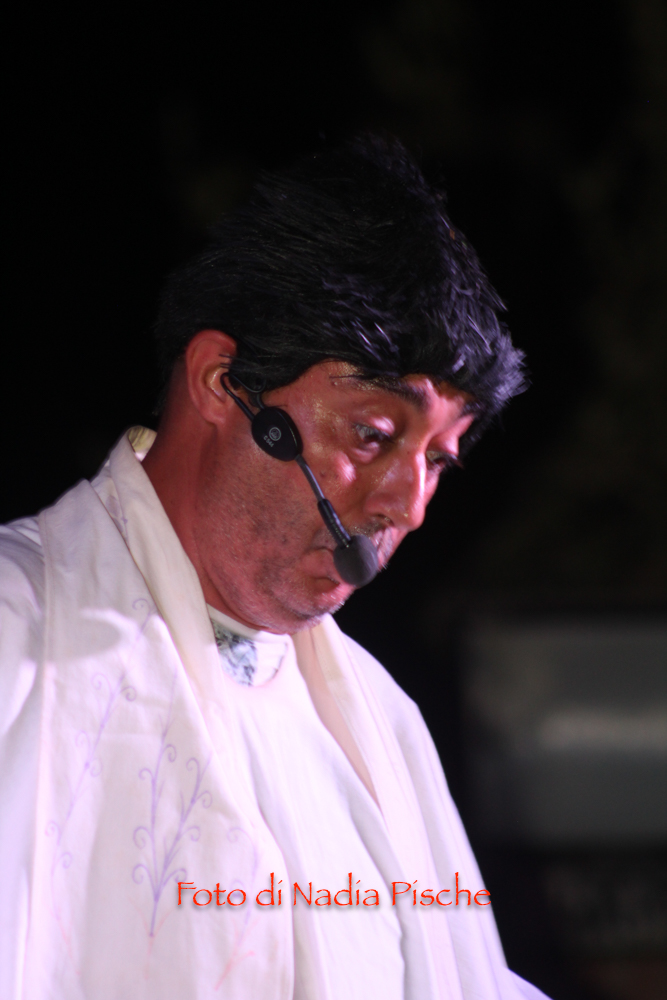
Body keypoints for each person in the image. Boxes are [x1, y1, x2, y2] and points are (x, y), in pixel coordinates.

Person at [0, 135, 547, 999]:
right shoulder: (17, 627)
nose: (407, 505)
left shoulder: (378, 722)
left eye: (438, 460)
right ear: (222, 381)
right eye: (372, 434)